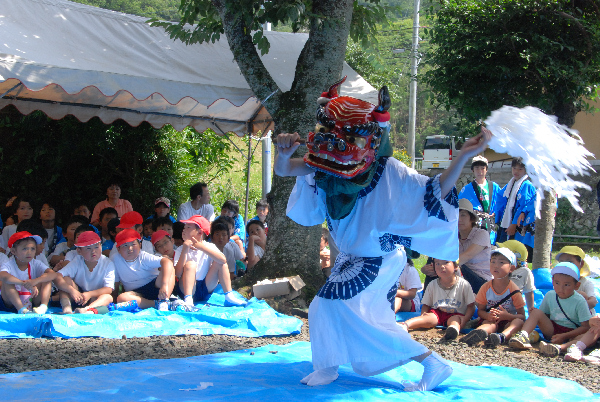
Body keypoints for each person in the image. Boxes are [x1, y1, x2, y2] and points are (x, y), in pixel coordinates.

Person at [275, 78, 490, 390]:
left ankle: (429, 362)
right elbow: (287, 168)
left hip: (377, 256)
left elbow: (436, 189)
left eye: (347, 134)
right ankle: (331, 366)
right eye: (334, 132)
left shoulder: (387, 169)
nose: (337, 141)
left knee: (327, 305)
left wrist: (464, 156)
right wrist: (283, 152)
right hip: (355, 256)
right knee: (352, 314)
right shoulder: (326, 163)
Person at [509, 262, 592, 357]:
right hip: (553, 330)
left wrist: (564, 336)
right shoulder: (550, 295)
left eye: (566, 285)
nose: (561, 288)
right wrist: (534, 314)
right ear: (552, 281)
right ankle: (523, 335)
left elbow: (585, 327)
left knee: (583, 337)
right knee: (536, 312)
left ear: (576, 286)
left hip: (572, 333)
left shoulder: (579, 301)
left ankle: (560, 348)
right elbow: (544, 315)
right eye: (557, 283)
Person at [174, 215, 247, 307]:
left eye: (188, 227)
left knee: (220, 262)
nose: (184, 230)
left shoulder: (209, 246)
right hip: (186, 288)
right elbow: (178, 273)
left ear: (200, 232)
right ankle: (188, 299)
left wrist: (201, 247)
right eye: (184, 227)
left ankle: (229, 295)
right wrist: (185, 249)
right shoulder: (180, 249)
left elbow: (223, 260)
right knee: (190, 265)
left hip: (205, 286)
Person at [422, 198, 492, 293]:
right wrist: (427, 268)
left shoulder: (481, 234)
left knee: (448, 265)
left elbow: (467, 256)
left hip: (480, 281)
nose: (459, 219)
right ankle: (427, 300)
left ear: (471, 218)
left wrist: (438, 267)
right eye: (456, 215)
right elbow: (439, 254)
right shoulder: (453, 236)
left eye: (463, 215)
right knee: (435, 260)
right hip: (458, 275)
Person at [460, 248, 526, 347]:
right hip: (491, 320)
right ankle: (477, 334)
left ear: (511, 268)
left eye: (501, 262)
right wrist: (487, 316)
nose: (496, 265)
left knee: (518, 322)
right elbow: (480, 311)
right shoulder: (485, 287)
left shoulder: (514, 290)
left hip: (508, 321)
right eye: (493, 261)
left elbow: (522, 316)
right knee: (489, 324)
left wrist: (508, 316)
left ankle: (501, 337)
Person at [399, 259, 475, 340]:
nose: (442, 266)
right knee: (427, 318)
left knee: (455, 320)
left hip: (456, 313)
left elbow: (471, 306)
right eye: (437, 264)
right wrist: (423, 315)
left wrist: (465, 319)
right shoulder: (432, 284)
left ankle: (452, 331)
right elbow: (426, 304)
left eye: (446, 262)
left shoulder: (464, 285)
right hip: (437, 312)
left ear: (455, 266)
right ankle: (405, 325)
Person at [111, 229, 175, 310]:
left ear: (140, 245)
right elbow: (115, 283)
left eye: (133, 244)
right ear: (118, 249)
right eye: (125, 245)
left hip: (156, 286)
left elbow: (167, 262)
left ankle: (165, 300)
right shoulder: (115, 259)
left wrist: (164, 285)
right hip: (136, 293)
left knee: (170, 269)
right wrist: (114, 300)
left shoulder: (143, 256)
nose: (130, 248)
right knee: (122, 298)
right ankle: (157, 304)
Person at [53, 231, 115, 314]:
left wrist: (90, 294)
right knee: (66, 279)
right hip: (78, 297)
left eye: (96, 247)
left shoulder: (108, 263)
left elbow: (108, 289)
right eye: (88, 248)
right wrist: (72, 291)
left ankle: (87, 310)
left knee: (108, 297)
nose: (93, 251)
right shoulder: (77, 261)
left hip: (94, 298)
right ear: (79, 251)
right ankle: (66, 308)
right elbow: (57, 276)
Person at [0, 232, 57, 314]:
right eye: (25, 249)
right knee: (7, 281)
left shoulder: (36, 263)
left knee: (46, 277)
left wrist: (35, 281)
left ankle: (43, 307)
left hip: (32, 300)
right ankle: (21, 310)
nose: (29, 252)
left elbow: (53, 274)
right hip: (11, 304)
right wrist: (23, 283)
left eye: (33, 249)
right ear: (13, 251)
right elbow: (2, 275)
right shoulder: (8, 264)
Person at [495, 158, 536, 258]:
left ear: (526, 170)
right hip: (505, 222)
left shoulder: (527, 185)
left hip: (516, 224)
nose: (516, 171)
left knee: (512, 252)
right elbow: (501, 199)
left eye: (520, 169)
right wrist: (497, 217)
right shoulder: (511, 183)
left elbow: (524, 205)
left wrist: (514, 224)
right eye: (514, 168)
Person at [458, 155, 502, 244]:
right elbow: (460, 207)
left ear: (486, 170)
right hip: (475, 225)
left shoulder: (494, 187)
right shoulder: (466, 189)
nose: (480, 171)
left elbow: (502, 204)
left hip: (491, 226)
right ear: (472, 170)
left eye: (482, 168)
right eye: (477, 168)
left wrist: (496, 214)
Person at [555, 246, 597, 314]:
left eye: (570, 262)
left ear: (581, 263)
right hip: (564, 317)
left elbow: (593, 302)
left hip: (582, 317)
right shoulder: (558, 282)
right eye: (561, 262)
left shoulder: (585, 283)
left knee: (581, 294)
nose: (566, 265)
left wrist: (575, 307)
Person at [498, 240, 536, 312]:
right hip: (494, 306)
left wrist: (531, 310)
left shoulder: (525, 272)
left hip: (511, 312)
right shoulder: (497, 268)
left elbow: (529, 292)